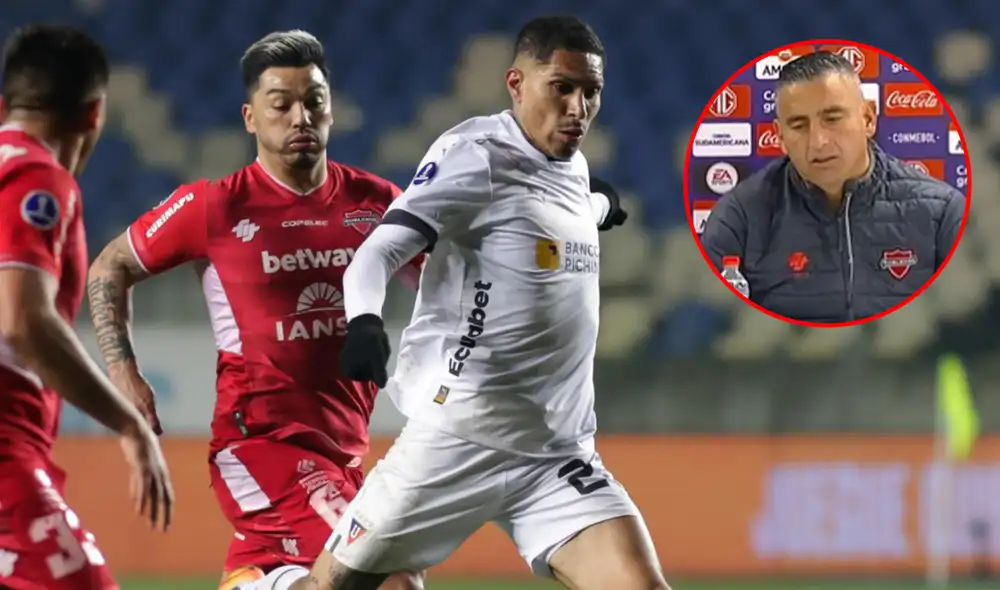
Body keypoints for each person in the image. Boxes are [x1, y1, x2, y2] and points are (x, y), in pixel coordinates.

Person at [241, 15, 663, 590]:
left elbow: (546, 220)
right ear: (516, 84)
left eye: (591, 92)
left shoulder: (572, 167)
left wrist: (594, 206)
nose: (578, 108)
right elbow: (376, 254)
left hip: (555, 453)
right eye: (561, 87)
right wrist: (364, 323)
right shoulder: (476, 154)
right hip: (457, 438)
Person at [85, 30, 422, 590]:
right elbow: (109, 266)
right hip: (261, 440)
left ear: (332, 109)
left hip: (344, 451)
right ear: (250, 117)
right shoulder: (213, 205)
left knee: (311, 574)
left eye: (313, 102)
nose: (299, 118)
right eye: (281, 104)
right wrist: (124, 374)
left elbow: (452, 278)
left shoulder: (377, 202)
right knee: (389, 577)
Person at [0, 24, 173, 590]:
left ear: (5, 105)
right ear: (94, 115)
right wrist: (129, 424)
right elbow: (24, 321)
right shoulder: (36, 176)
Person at [699, 51, 967, 323]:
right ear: (780, 136)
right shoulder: (739, 217)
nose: (818, 142)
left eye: (832, 118)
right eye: (799, 125)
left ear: (868, 118)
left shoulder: (941, 212)